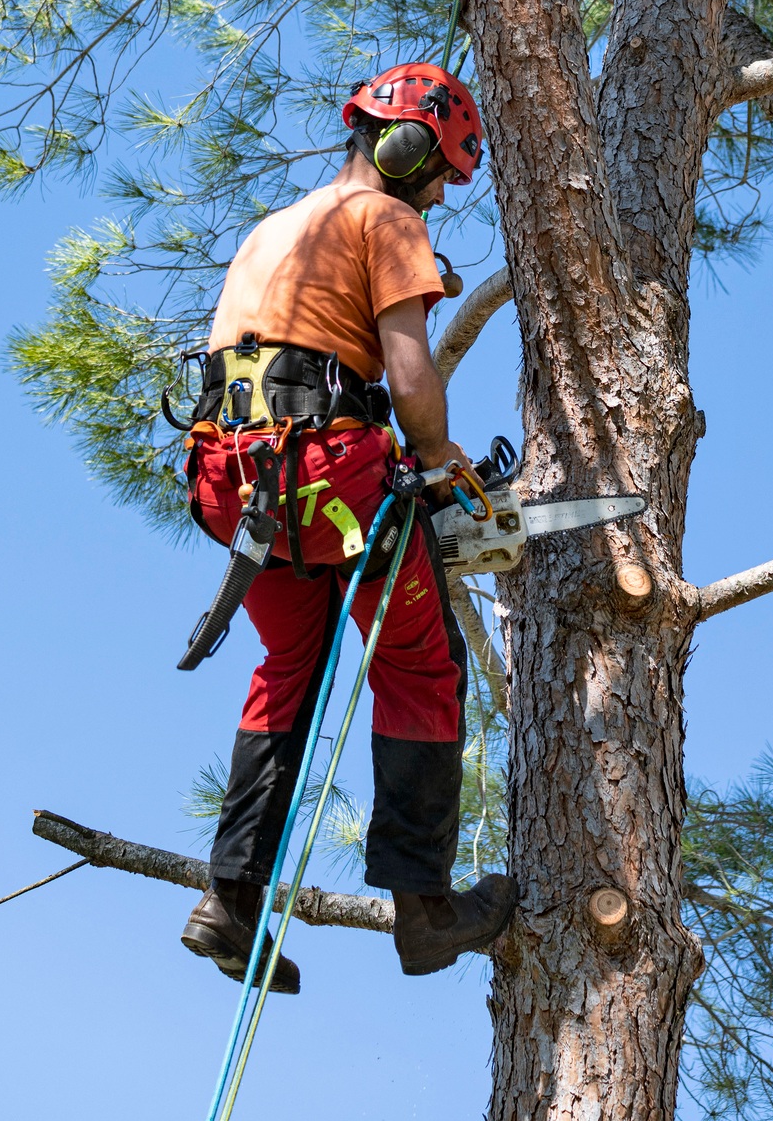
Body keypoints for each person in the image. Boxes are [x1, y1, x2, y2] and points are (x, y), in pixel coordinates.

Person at [177, 62, 518, 992]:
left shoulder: (275, 228)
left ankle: (230, 900)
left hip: (235, 485)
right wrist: (440, 457)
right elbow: (410, 377)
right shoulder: (388, 218)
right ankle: (425, 911)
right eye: (441, 171)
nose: (442, 193)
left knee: (292, 668)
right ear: (406, 147)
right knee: (418, 663)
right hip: (326, 476)